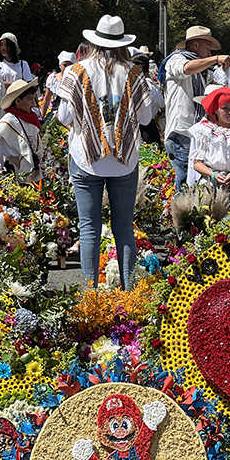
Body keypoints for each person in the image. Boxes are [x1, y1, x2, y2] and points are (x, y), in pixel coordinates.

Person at [57, 15, 152, 289]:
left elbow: (64, 117)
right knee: (124, 228)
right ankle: (129, 293)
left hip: (86, 158)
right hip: (123, 161)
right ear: (123, 42)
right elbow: (145, 118)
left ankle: (90, 296)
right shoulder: (134, 73)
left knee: (89, 229)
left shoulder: (76, 71)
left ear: (94, 40)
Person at [160, 25, 230, 191]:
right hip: (181, 133)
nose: (209, 53)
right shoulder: (176, 59)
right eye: (207, 49)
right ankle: (181, 215)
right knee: (187, 184)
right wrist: (215, 59)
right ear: (195, 46)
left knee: (192, 184)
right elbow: (185, 68)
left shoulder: (200, 70)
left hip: (190, 132)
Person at [188, 87, 230, 213]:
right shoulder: (205, 130)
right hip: (211, 187)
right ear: (216, 110)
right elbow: (197, 163)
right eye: (225, 108)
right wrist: (213, 175)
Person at [0, 79, 43, 184]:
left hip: (31, 172)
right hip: (15, 172)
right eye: (30, 99)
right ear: (18, 101)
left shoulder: (29, 118)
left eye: (34, 98)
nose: (33, 102)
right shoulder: (9, 120)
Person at [132, 53, 164, 146]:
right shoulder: (153, 84)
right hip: (150, 125)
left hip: (145, 127)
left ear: (140, 67)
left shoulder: (145, 85)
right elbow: (161, 103)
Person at [40, 51, 76, 120]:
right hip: (56, 112)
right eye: (65, 65)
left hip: (71, 114)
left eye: (70, 65)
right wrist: (42, 116)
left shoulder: (75, 79)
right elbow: (47, 99)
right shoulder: (53, 79)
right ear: (60, 65)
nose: (67, 68)